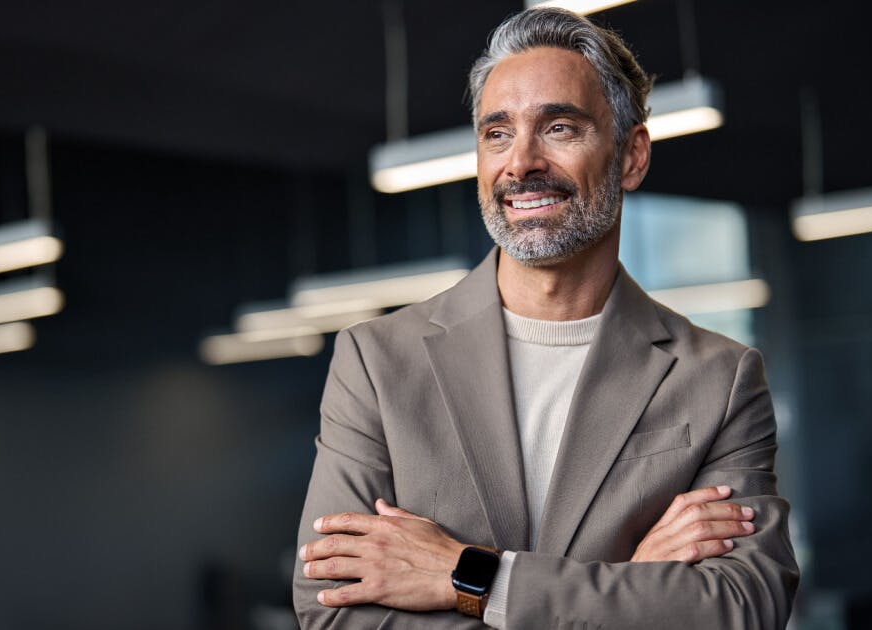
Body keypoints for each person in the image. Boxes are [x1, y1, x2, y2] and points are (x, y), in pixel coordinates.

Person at [293, 7, 798, 629]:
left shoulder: (721, 378)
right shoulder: (376, 361)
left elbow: (743, 612)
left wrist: (472, 578)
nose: (521, 162)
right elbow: (335, 613)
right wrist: (631, 587)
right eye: (497, 133)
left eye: (559, 128)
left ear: (632, 156)